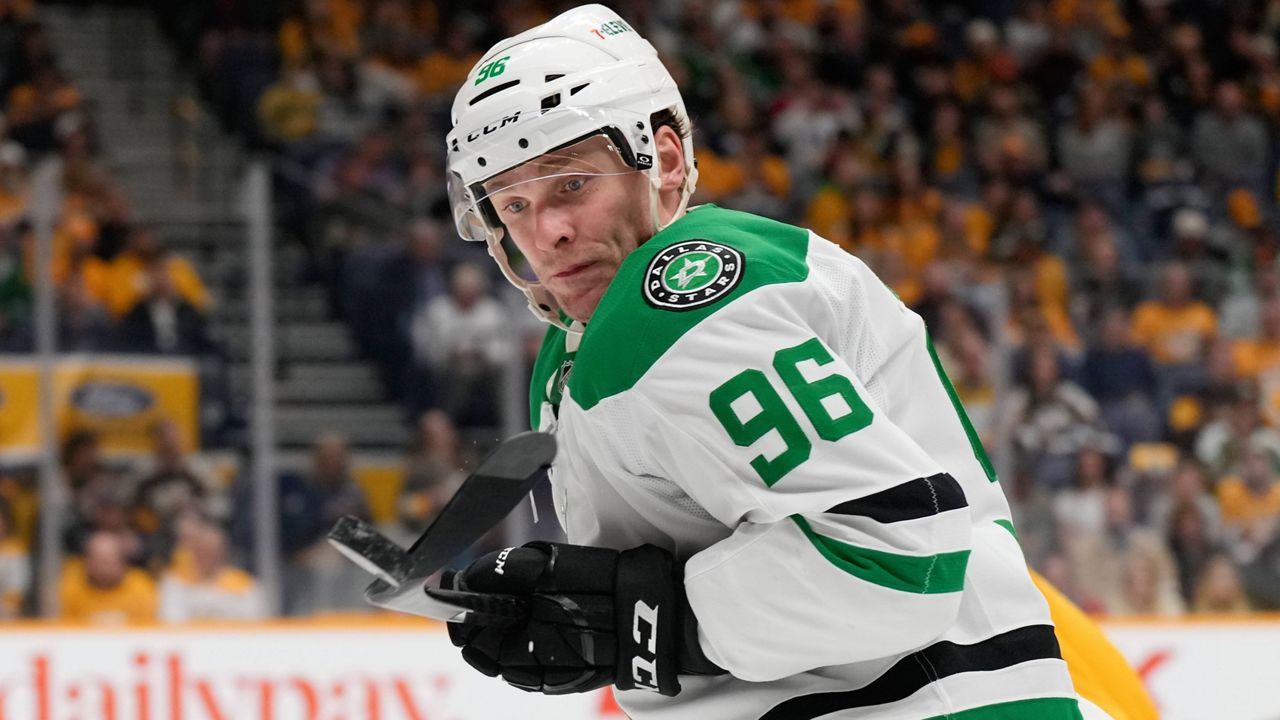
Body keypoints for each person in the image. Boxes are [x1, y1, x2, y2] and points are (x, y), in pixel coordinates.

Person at [439, 6, 1151, 719]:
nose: (548, 232)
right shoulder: (581, 348)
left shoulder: (678, 297)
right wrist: (583, 610)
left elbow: (896, 558)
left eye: (571, 185)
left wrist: (647, 623)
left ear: (664, 160)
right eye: (514, 204)